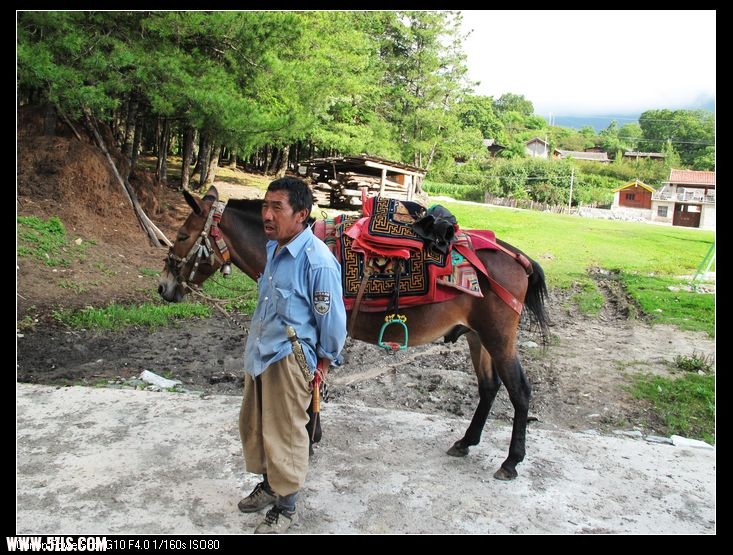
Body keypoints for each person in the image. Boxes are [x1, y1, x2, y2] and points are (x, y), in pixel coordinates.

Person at [238, 176, 347, 534]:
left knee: (286, 432)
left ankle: (287, 508)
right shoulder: (274, 249)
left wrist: (323, 365)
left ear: (301, 214)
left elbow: (331, 323)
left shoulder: (318, 262)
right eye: (264, 206)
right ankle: (271, 486)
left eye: (276, 208)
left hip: (290, 358)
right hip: (262, 352)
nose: (266, 215)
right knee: (260, 425)